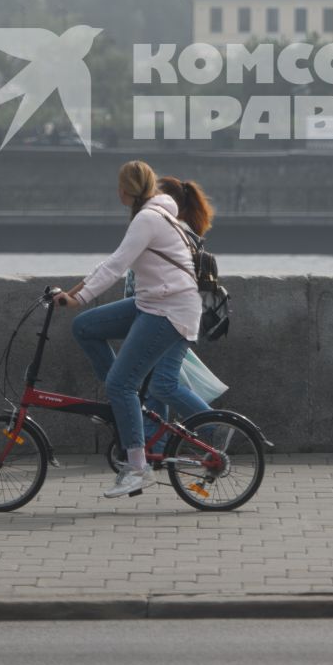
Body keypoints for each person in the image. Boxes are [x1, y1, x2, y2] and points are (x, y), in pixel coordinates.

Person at [56, 162, 214, 499]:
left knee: (122, 383)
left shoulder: (148, 218)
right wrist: (72, 295)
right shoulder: (156, 214)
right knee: (85, 326)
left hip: (168, 309)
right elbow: (111, 262)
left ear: (126, 190)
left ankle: (137, 467)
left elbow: (116, 266)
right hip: (155, 303)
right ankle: (125, 407)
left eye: (119, 186)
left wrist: (79, 297)